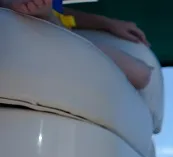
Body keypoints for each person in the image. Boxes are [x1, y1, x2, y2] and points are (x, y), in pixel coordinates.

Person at [2, 0, 154, 90]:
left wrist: (108, 24)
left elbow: (63, 13)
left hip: (59, 30)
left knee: (140, 73)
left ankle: (49, 21)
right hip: (23, 24)